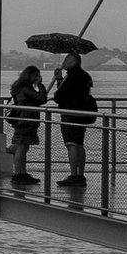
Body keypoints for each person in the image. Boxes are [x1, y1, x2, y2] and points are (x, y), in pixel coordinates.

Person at [51, 52, 97, 189]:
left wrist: (59, 84)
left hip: (70, 114)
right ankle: (80, 174)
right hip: (82, 114)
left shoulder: (72, 77)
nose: (63, 62)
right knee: (79, 144)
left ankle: (73, 175)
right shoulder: (85, 76)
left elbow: (59, 96)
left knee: (71, 144)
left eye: (66, 60)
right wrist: (60, 79)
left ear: (73, 62)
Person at [6, 65, 48, 186]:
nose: (37, 78)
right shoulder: (25, 89)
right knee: (22, 148)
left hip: (23, 120)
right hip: (26, 120)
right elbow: (42, 98)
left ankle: (22, 173)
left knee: (23, 147)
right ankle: (19, 174)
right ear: (30, 75)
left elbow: (37, 99)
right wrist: (41, 85)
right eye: (36, 75)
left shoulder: (20, 88)